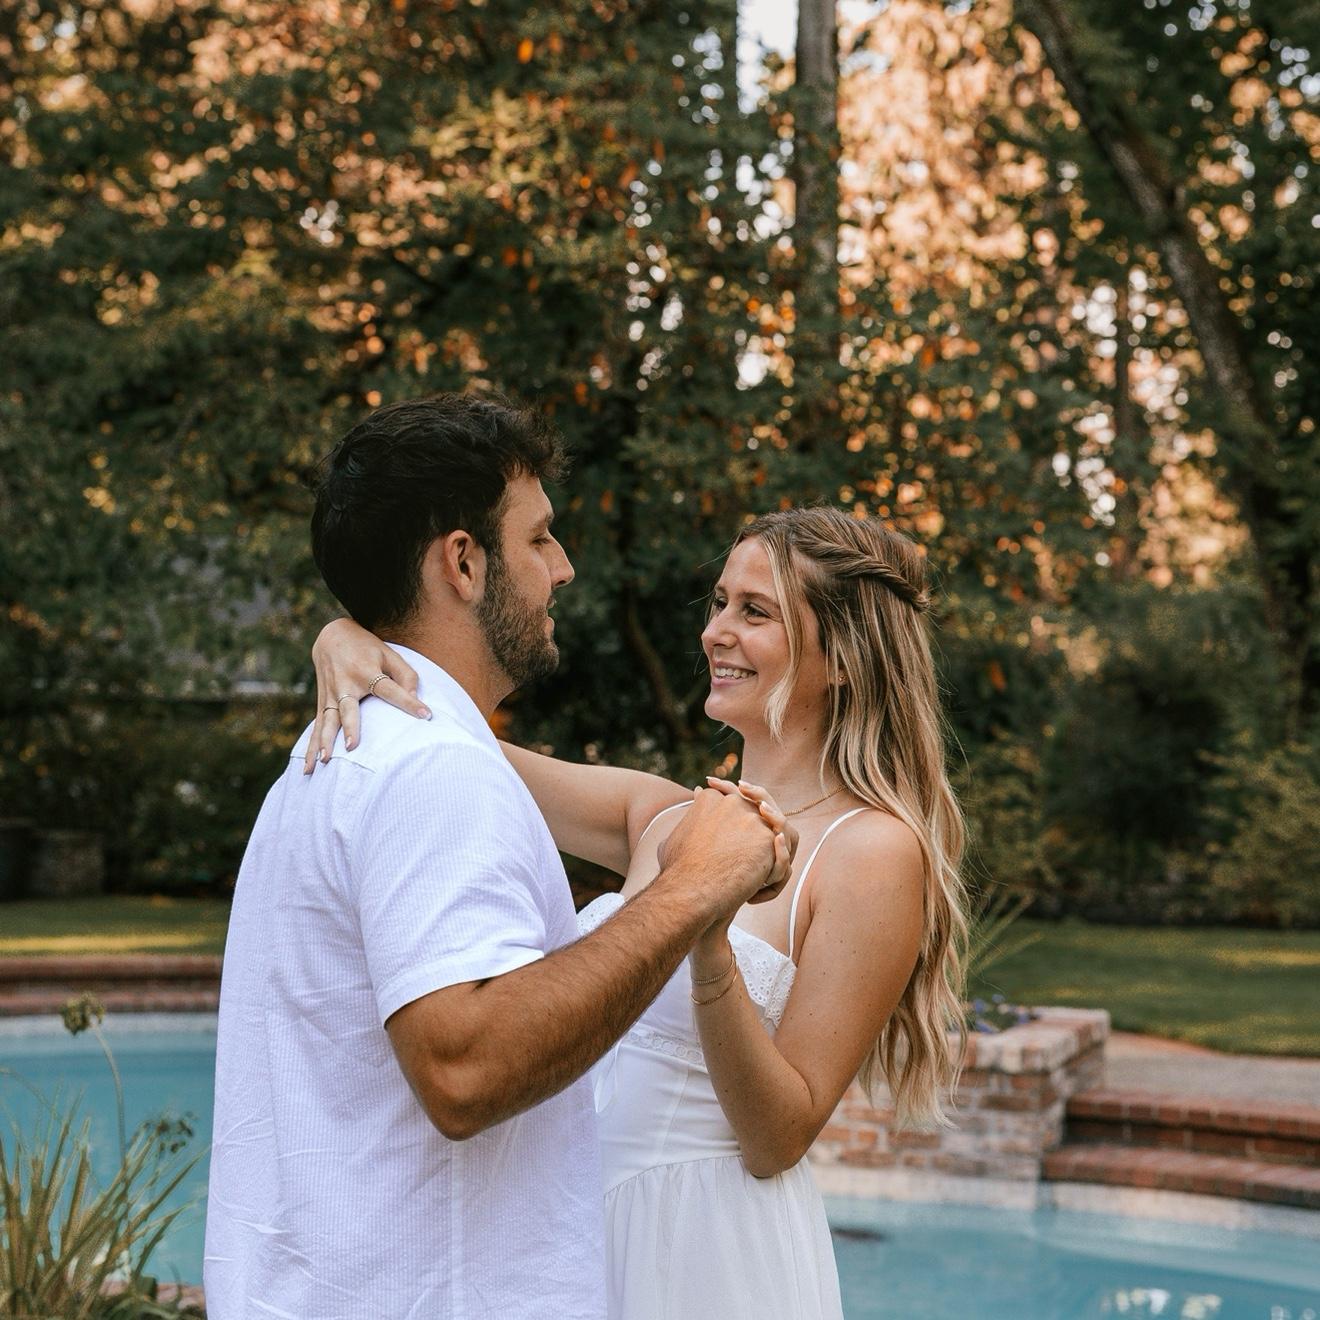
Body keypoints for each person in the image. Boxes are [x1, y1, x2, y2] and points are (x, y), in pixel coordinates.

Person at [203, 393, 793, 1320]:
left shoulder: (346, 754)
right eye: (539, 538)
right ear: (464, 563)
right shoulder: (433, 771)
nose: (563, 568)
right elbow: (464, 1070)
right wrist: (688, 893)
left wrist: (351, 629)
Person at [311, 503, 971, 1320]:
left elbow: (779, 1137)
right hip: (580, 1234)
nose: (715, 632)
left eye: (755, 612)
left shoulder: (872, 851)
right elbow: (450, 743)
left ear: (842, 656)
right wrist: (349, 639)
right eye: (719, 603)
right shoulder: (660, 819)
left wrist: (709, 940)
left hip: (709, 1254)